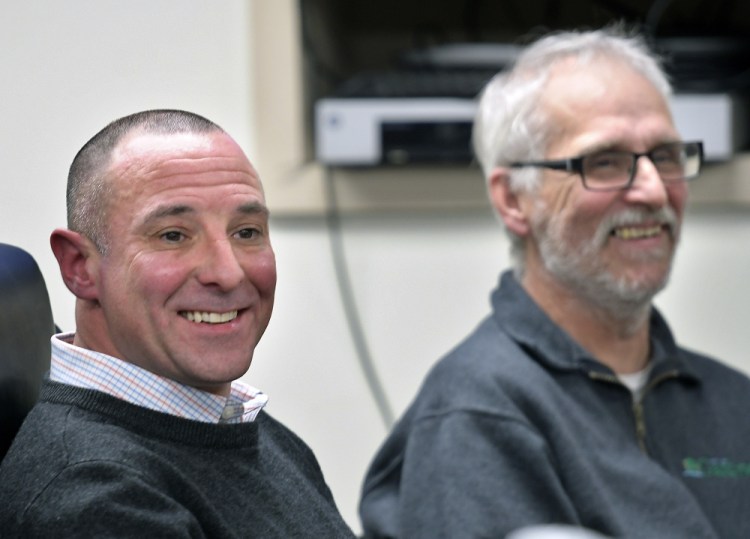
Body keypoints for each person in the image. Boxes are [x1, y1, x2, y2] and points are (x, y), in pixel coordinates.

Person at [359, 27, 750, 539]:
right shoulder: (478, 413)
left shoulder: (734, 402)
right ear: (514, 200)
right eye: (605, 162)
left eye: (667, 155)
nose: (653, 189)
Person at [0, 110, 354, 538]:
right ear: (81, 268)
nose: (228, 273)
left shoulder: (237, 425)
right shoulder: (97, 498)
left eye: (246, 232)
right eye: (173, 236)